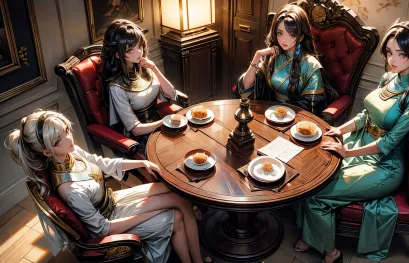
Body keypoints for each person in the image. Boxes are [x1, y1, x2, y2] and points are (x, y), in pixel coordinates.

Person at [294, 21, 409, 262]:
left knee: (319, 194)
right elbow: (364, 116)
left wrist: (346, 153)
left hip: (383, 165)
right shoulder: (389, 77)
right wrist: (337, 130)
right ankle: (312, 235)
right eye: (389, 52)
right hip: (358, 141)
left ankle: (330, 252)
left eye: (401, 54)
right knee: (310, 175)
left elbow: (389, 143)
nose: (392, 60)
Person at [6, 110, 204, 263]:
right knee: (176, 214)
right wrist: (152, 212)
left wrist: (142, 163)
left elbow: (103, 163)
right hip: (110, 220)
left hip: (112, 201)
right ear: (47, 153)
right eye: (59, 140)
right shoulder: (70, 191)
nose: (69, 138)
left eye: (66, 130)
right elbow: (103, 229)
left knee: (178, 194)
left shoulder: (70, 154)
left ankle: (197, 260)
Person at [234, 4, 338, 115]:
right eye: (280, 33)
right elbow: (245, 88)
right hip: (270, 114)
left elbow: (312, 105)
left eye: (291, 34)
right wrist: (257, 56)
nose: (284, 39)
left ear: (301, 37)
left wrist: (283, 113)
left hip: (295, 119)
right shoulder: (273, 56)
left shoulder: (311, 65)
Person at [101, 19, 177, 155]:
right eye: (131, 50)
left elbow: (171, 94)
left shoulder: (143, 66)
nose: (139, 52)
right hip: (139, 139)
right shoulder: (116, 87)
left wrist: (154, 68)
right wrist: (165, 123)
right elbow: (135, 129)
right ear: (118, 54)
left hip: (158, 124)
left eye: (140, 46)